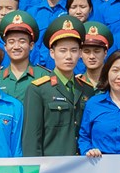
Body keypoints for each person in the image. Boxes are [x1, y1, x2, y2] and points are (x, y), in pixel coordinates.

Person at [22, 15, 89, 157]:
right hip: (51, 166)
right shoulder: (38, 90)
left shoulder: (87, 89)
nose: (69, 56)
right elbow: (31, 140)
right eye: (63, 50)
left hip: (83, 165)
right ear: (52, 53)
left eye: (74, 50)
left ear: (80, 53)